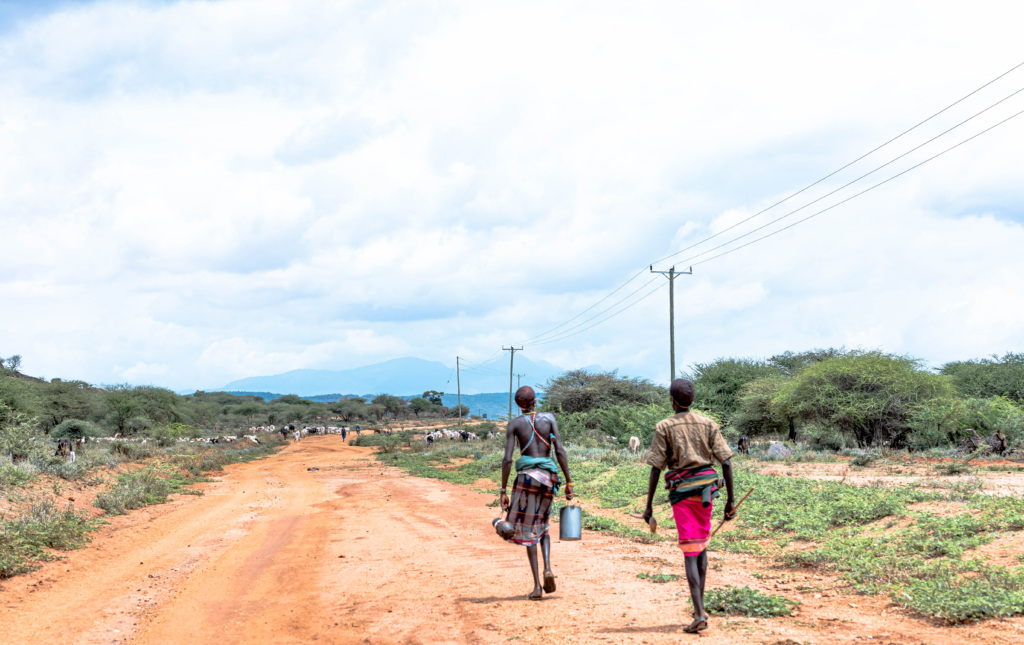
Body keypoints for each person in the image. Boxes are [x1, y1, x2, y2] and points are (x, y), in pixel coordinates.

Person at [642, 378, 735, 634]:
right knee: (701, 546)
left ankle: (699, 614)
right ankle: (699, 610)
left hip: (682, 494)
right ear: (691, 400)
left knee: (690, 552)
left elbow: (656, 468)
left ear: (672, 400)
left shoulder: (664, 426)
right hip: (707, 492)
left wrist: (648, 506)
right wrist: (730, 500)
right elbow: (726, 462)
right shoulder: (708, 424)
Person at [500, 386, 574, 600]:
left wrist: (503, 490)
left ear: (518, 404)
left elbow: (507, 459)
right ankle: (548, 568)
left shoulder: (514, 424)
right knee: (543, 524)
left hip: (527, 480)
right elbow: (559, 450)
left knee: (528, 529)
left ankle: (536, 586)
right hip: (548, 478)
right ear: (535, 401)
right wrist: (569, 481)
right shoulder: (549, 418)